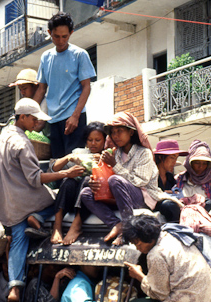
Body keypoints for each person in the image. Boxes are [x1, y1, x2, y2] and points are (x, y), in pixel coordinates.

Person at [0, 98, 84, 302]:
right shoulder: (21, 142)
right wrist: (67, 173)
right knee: (57, 200)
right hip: (24, 201)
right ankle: (36, 216)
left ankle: (15, 289)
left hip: (5, 206)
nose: (37, 122)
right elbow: (36, 178)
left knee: (19, 240)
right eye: (34, 118)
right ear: (23, 117)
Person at [80, 112, 167, 245]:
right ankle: (116, 224)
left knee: (115, 180)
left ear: (131, 132)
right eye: (113, 133)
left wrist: (114, 165)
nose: (116, 136)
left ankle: (127, 231)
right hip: (120, 195)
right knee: (85, 193)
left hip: (143, 197)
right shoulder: (115, 153)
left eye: (119, 131)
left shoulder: (144, 153)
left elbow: (140, 181)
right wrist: (96, 184)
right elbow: (106, 177)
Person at [34, 11, 96, 159]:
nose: (61, 40)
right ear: (50, 33)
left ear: (71, 33)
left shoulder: (80, 54)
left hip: (74, 118)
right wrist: (29, 111)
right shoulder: (46, 57)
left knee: (74, 163)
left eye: (65, 36)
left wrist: (75, 116)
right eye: (56, 36)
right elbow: (41, 89)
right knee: (57, 164)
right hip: (53, 119)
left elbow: (86, 87)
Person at [50, 121, 107, 245]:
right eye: (90, 140)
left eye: (97, 140)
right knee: (67, 181)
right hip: (72, 198)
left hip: (91, 200)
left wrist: (103, 163)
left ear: (104, 141)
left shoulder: (108, 155)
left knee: (87, 181)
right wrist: (69, 158)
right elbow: (54, 168)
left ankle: (76, 226)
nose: (93, 143)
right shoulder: (80, 153)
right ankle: (57, 226)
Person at [174, 140, 211, 210]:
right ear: (190, 164)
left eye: (204, 163)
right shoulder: (179, 179)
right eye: (197, 163)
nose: (201, 167)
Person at [152, 139, 186, 222]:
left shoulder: (170, 177)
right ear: (160, 157)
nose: (174, 162)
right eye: (172, 158)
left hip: (172, 206)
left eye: (176, 158)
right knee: (168, 205)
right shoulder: (151, 175)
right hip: (157, 206)